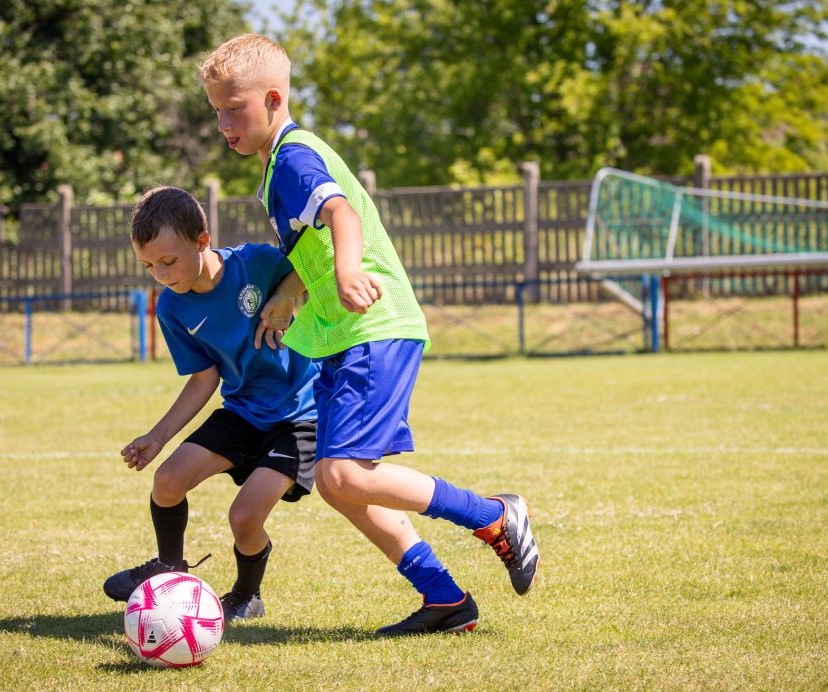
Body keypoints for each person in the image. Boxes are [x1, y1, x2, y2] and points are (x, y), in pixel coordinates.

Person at [199, 34, 540, 637]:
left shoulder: (296, 156)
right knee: (342, 486)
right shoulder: (278, 165)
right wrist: (291, 294)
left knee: (344, 475)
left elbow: (342, 216)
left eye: (233, 107)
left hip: (373, 327)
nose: (223, 122)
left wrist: (349, 270)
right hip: (340, 336)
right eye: (216, 110)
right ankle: (445, 600)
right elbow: (314, 245)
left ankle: (493, 514)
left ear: (273, 98)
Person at [103, 185, 321, 621]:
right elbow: (205, 378)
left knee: (243, 517)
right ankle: (170, 569)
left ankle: (246, 595)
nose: (161, 274)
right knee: (167, 481)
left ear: (202, 241)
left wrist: (286, 292)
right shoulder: (171, 307)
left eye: (168, 261)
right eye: (148, 266)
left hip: (300, 415)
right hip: (241, 411)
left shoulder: (256, 262)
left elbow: (316, 263)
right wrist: (158, 437)